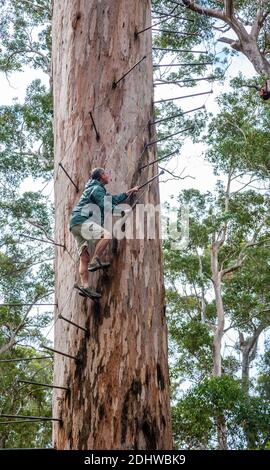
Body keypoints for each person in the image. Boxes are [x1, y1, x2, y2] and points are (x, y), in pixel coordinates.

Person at [69, 167, 139, 298]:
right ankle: (95, 260)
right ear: (101, 176)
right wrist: (121, 212)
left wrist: (127, 193)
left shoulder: (94, 189)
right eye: (106, 173)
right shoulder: (97, 189)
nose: (108, 175)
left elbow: (110, 200)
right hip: (82, 220)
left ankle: (85, 287)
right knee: (106, 235)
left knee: (84, 257)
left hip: (74, 224)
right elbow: (106, 206)